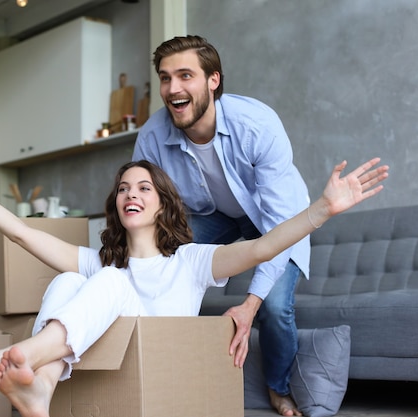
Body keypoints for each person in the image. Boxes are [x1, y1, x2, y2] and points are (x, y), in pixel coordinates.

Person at [0, 142, 387, 417]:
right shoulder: (98, 264)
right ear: (116, 206)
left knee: (108, 281)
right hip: (109, 367)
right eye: (123, 189)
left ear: (162, 203)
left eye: (143, 188)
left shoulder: (191, 261)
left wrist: (322, 210)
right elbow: (18, 231)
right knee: (66, 282)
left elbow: (263, 248)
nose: (130, 194)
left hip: (164, 375)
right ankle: (43, 382)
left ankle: (22, 357)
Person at [132, 35, 312, 415]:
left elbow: (279, 227)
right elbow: (146, 209)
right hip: (214, 216)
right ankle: (159, 372)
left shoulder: (257, 125)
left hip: (275, 218)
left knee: (275, 308)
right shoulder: (152, 138)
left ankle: (278, 388)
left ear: (213, 80)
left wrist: (249, 305)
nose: (173, 89)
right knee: (162, 262)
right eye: (165, 78)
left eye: (185, 75)